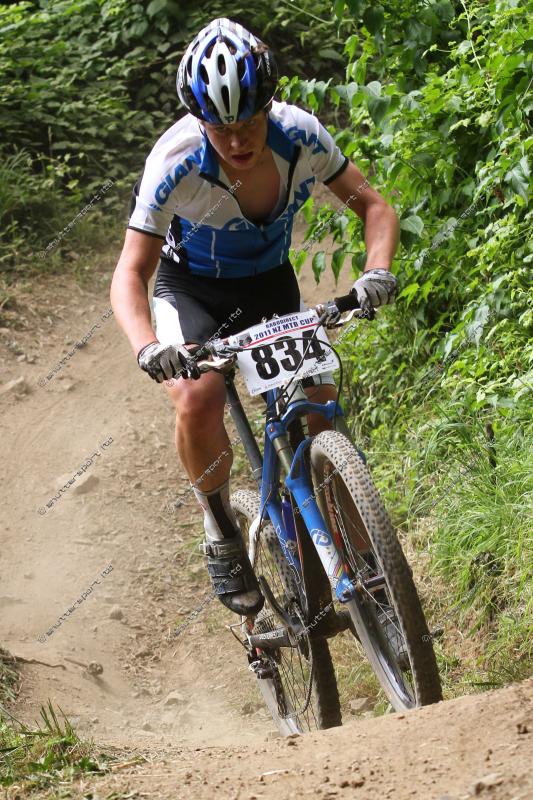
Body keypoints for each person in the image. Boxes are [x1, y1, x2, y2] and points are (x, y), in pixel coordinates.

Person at [110, 17, 399, 619]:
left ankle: (360, 556)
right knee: (198, 397)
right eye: (221, 127)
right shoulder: (176, 161)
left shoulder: (301, 136)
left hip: (269, 285)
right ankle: (221, 526)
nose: (238, 138)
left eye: (250, 121)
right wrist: (146, 347)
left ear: (270, 104)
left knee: (319, 404)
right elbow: (130, 273)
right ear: (199, 120)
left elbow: (372, 205)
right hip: (191, 291)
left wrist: (375, 270)